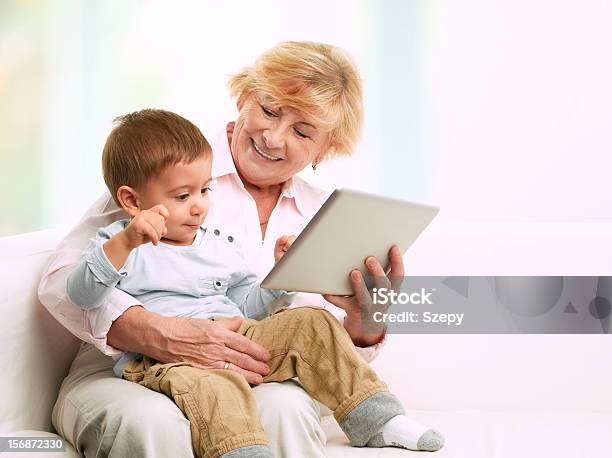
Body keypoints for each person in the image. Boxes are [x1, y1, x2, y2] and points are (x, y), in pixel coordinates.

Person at [38, 41, 425, 457]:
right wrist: (154, 330)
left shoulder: (325, 216)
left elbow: (312, 349)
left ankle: (377, 420)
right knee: (150, 422)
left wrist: (364, 324)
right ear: (243, 98)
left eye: (302, 131)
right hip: (128, 367)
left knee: (286, 407)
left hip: (258, 369)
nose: (274, 138)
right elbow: (62, 281)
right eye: (270, 110)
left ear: (325, 148)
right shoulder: (169, 169)